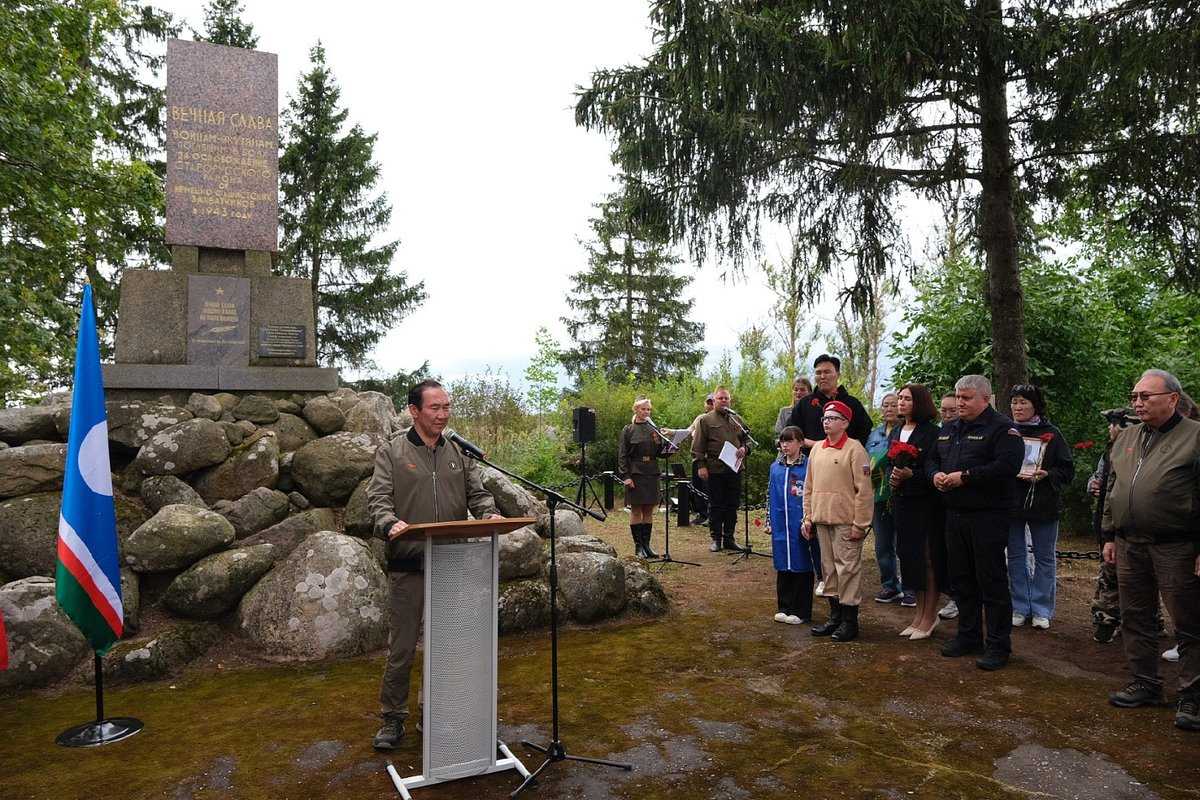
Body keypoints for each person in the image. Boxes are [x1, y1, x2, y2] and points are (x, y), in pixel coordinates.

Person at [367, 379, 504, 750]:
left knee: (446, 645)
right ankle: (392, 719)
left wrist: (489, 514)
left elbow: (477, 494)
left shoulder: (458, 451)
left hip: (451, 562)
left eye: (447, 407)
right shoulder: (392, 452)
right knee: (403, 648)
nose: (443, 414)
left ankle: (436, 714)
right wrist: (387, 522)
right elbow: (378, 499)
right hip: (408, 563)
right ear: (414, 411)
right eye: (435, 408)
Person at [1101, 369, 1200, 733]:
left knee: (1190, 623)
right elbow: (1114, 488)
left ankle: (1194, 696)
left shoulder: (1195, 436)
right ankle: (1144, 682)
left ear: (1173, 399)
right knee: (1136, 617)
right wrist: (1109, 535)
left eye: (1146, 396)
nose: (1138, 403)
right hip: (1130, 545)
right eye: (1135, 396)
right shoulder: (1127, 436)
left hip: (1177, 545)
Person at [927, 375, 1023, 671]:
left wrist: (965, 477)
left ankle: (998, 644)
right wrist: (935, 476)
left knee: (991, 581)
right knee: (962, 579)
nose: (960, 403)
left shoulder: (1003, 429)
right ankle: (968, 636)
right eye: (958, 397)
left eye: (966, 398)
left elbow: (1007, 467)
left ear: (986, 398)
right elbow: (932, 459)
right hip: (954, 515)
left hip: (987, 516)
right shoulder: (949, 428)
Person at [803, 400, 873, 642]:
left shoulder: (855, 449)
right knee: (828, 569)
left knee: (848, 569)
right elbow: (808, 487)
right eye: (824, 418)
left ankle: (850, 621)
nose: (826, 422)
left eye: (832, 418)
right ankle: (834, 617)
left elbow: (864, 491)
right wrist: (807, 517)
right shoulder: (817, 449)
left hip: (846, 521)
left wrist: (860, 524)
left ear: (845, 423)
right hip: (822, 519)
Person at [1007, 384, 1073, 630]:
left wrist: (1047, 474)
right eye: (1014, 402)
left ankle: (1042, 609)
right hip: (1012, 503)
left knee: (1044, 557)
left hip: (1044, 504)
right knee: (1015, 555)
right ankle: (1020, 606)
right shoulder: (1007, 431)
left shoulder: (1052, 433)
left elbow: (1067, 470)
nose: (1018, 407)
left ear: (1035, 404)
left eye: (1023, 402)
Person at [888, 384, 943, 639]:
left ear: (919, 402)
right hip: (903, 501)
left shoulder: (932, 433)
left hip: (925, 503)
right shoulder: (897, 430)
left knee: (927, 559)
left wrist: (914, 475)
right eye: (899, 398)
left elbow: (934, 466)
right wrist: (894, 478)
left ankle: (930, 616)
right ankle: (918, 614)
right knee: (910, 558)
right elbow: (891, 463)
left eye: (907, 399)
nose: (901, 402)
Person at [766, 426, 817, 624]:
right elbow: (770, 494)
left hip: (800, 523)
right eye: (783, 441)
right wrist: (769, 520)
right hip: (780, 523)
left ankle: (801, 610)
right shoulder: (775, 467)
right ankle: (784, 606)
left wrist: (810, 518)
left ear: (801, 443)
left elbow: (813, 493)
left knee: (801, 563)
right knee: (782, 563)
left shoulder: (808, 466)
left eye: (790, 441)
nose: (785, 445)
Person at [692, 387, 751, 552]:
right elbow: (697, 447)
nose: (724, 401)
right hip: (714, 469)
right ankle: (716, 539)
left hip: (734, 469)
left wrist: (745, 449)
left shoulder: (736, 419)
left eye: (726, 398)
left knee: (732, 505)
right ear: (714, 400)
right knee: (716, 505)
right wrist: (701, 466)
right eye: (720, 398)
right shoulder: (705, 420)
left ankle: (729, 538)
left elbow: (748, 441)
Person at [867, 393, 910, 606]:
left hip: (902, 495)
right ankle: (889, 585)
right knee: (883, 544)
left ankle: (910, 587)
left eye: (894, 405)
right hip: (878, 495)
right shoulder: (874, 434)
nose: (890, 408)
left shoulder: (907, 432)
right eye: (886, 405)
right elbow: (868, 461)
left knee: (906, 543)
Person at [788, 354, 871, 449]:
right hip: (810, 459)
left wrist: (846, 448)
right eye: (818, 373)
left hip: (844, 460)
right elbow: (792, 432)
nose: (822, 376)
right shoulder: (804, 404)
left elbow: (865, 433)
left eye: (827, 372)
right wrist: (817, 445)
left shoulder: (852, 403)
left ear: (838, 375)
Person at [619, 397, 663, 559]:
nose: (646, 412)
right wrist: (626, 476)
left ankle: (647, 546)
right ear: (636, 410)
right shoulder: (628, 430)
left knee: (649, 510)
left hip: (651, 471)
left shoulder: (654, 429)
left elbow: (660, 453)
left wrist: (665, 445)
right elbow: (622, 455)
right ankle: (638, 548)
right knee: (636, 510)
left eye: (648, 409)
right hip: (635, 472)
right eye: (643, 409)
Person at [936, 392, 961, 621]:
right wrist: (935, 474)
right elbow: (932, 461)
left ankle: (962, 599)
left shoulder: (965, 431)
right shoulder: (939, 433)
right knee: (947, 554)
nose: (947, 414)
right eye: (943, 410)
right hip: (941, 502)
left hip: (966, 504)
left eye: (952, 410)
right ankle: (953, 596)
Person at [686, 394, 715, 524]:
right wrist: (670, 432)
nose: (710, 405)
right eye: (708, 402)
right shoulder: (700, 418)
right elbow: (687, 431)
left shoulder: (719, 419)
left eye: (712, 402)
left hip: (711, 459)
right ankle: (701, 514)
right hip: (697, 458)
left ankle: (712, 515)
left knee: (710, 487)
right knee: (697, 486)